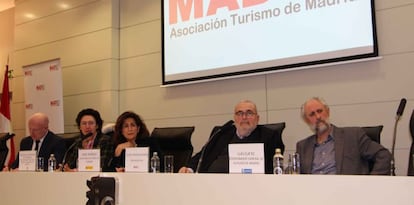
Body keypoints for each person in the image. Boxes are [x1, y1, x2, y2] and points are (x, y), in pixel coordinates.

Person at [179, 100, 285, 174]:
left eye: (249, 113)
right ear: (234, 118)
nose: (244, 117)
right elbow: (202, 155)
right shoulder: (221, 133)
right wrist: (189, 169)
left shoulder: (269, 136)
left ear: (257, 118)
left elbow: (273, 167)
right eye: (239, 113)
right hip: (210, 184)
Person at [296, 97, 392, 175]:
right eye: (312, 114)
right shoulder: (303, 146)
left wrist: (371, 182)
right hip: (313, 194)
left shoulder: (353, 136)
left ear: (328, 111)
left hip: (347, 193)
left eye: (320, 111)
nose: (318, 117)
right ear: (306, 120)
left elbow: (383, 155)